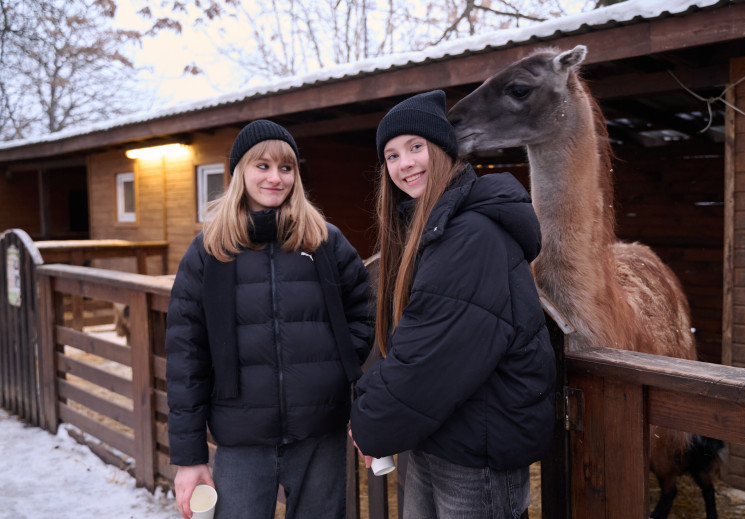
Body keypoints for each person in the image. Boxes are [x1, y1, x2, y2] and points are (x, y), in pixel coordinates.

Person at [349, 90, 556, 518]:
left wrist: (371, 420)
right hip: (441, 434)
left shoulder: (472, 236)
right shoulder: (434, 230)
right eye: (391, 155)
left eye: (415, 147)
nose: (404, 164)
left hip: (477, 453)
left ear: (443, 150)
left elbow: (431, 354)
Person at [165, 120, 373, 519]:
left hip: (320, 432)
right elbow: (185, 356)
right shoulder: (210, 250)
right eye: (262, 166)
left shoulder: (324, 241)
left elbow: (363, 312)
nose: (275, 178)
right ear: (239, 172)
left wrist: (331, 365)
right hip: (240, 438)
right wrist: (189, 456)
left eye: (286, 168)